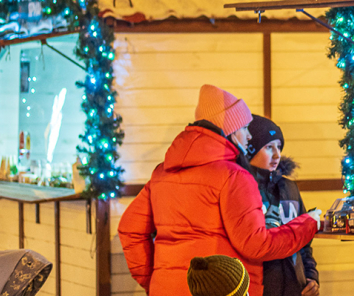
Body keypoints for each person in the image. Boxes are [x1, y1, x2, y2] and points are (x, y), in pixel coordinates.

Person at [118, 85, 321, 296]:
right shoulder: (234, 176)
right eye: (244, 129)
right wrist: (308, 223)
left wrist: (154, 280)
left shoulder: (162, 173)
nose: (249, 137)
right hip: (223, 290)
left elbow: (129, 229)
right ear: (231, 131)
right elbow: (256, 244)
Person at [245, 116, 319, 296]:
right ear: (250, 151)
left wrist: (310, 277)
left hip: (295, 288)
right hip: (258, 288)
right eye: (269, 147)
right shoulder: (243, 190)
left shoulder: (290, 188)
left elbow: (304, 243)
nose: (277, 155)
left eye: (279, 147)